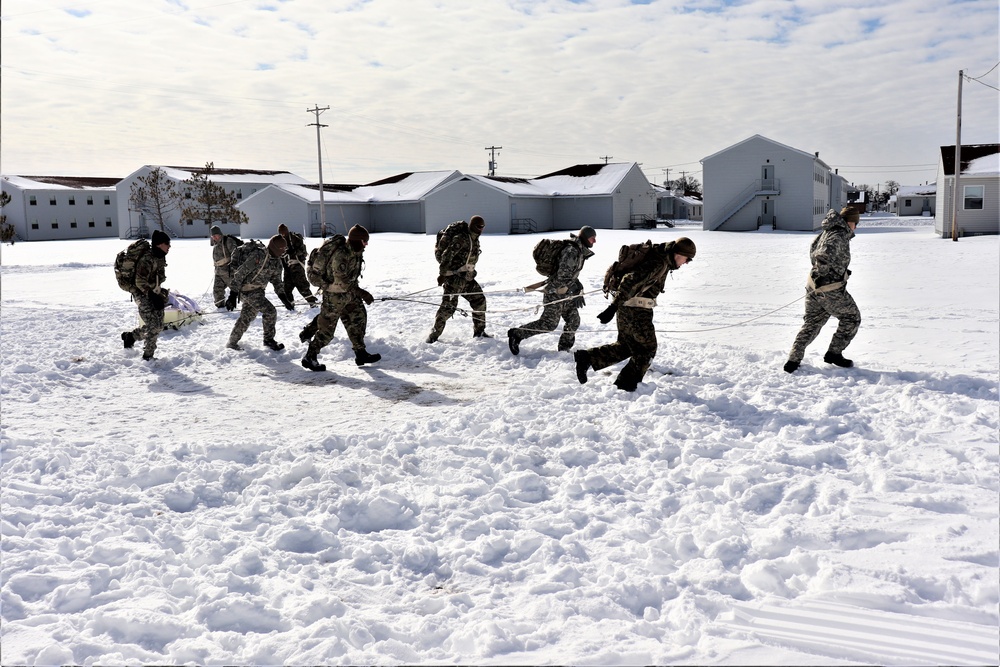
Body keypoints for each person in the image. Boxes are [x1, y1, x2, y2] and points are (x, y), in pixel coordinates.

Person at [574, 237, 697, 392]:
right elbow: (629, 281)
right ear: (678, 254)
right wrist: (613, 307)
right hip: (636, 310)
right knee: (647, 349)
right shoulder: (658, 262)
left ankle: (587, 358)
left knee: (627, 346)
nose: (685, 263)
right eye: (687, 259)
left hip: (628, 306)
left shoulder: (660, 256)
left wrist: (616, 305)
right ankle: (626, 385)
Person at [783, 206, 861, 373]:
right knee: (852, 318)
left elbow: (813, 249)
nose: (856, 227)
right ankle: (834, 353)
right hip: (829, 288)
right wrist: (824, 273)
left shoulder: (828, 231)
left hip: (814, 286)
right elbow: (823, 254)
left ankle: (793, 360)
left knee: (812, 322)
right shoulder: (838, 235)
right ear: (850, 222)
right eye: (856, 223)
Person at [300, 225, 381, 371]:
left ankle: (360, 352)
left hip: (350, 294)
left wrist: (357, 292)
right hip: (334, 297)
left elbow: (350, 279)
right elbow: (341, 282)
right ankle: (310, 356)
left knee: (358, 318)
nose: (366, 245)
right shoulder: (341, 255)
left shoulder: (355, 251)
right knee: (327, 331)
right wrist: (363, 293)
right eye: (364, 242)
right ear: (357, 240)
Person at [508, 226, 597, 355]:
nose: (594, 241)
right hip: (554, 293)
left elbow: (571, 275)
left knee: (574, 320)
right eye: (592, 238)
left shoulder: (579, 251)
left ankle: (564, 349)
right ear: (584, 238)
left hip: (565, 293)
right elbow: (562, 276)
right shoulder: (572, 251)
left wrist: (578, 288)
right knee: (548, 324)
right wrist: (574, 288)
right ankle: (517, 334)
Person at [427, 215, 489, 342]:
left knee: (479, 301)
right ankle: (433, 336)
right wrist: (442, 275)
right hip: (454, 279)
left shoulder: (474, 239)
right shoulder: (461, 239)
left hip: (468, 278)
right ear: (472, 225)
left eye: (483, 227)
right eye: (479, 226)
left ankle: (479, 332)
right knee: (448, 309)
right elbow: (447, 255)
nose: (481, 229)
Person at [226, 235, 292, 351]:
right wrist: (233, 294)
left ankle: (232, 342)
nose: (284, 251)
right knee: (270, 311)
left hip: (258, 292)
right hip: (247, 290)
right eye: (282, 249)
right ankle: (268, 340)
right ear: (275, 248)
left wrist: (283, 297)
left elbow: (276, 281)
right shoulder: (258, 256)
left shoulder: (276, 262)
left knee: (246, 316)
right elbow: (240, 273)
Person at [121, 229, 171, 361]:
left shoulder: (159, 256)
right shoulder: (147, 259)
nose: (169, 246)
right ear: (159, 244)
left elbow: (158, 277)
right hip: (141, 292)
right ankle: (148, 356)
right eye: (167, 244)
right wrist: (152, 296)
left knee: (158, 325)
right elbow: (139, 282)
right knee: (154, 326)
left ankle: (131, 337)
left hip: (153, 291)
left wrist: (159, 293)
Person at [277, 223, 318, 309]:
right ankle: (290, 305)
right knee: (287, 288)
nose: (283, 234)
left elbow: (303, 252)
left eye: (284, 232)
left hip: (297, 266)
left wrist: (293, 252)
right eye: (281, 233)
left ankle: (312, 302)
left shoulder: (295, 239)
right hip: (287, 267)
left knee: (302, 286)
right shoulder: (280, 241)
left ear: (287, 230)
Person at [210, 225, 242, 309]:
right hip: (219, 272)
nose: (214, 237)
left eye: (216, 235)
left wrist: (233, 268)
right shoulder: (216, 244)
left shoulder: (228, 241)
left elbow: (235, 254)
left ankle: (253, 304)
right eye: (213, 236)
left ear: (220, 234)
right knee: (217, 291)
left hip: (229, 273)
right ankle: (220, 307)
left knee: (238, 292)